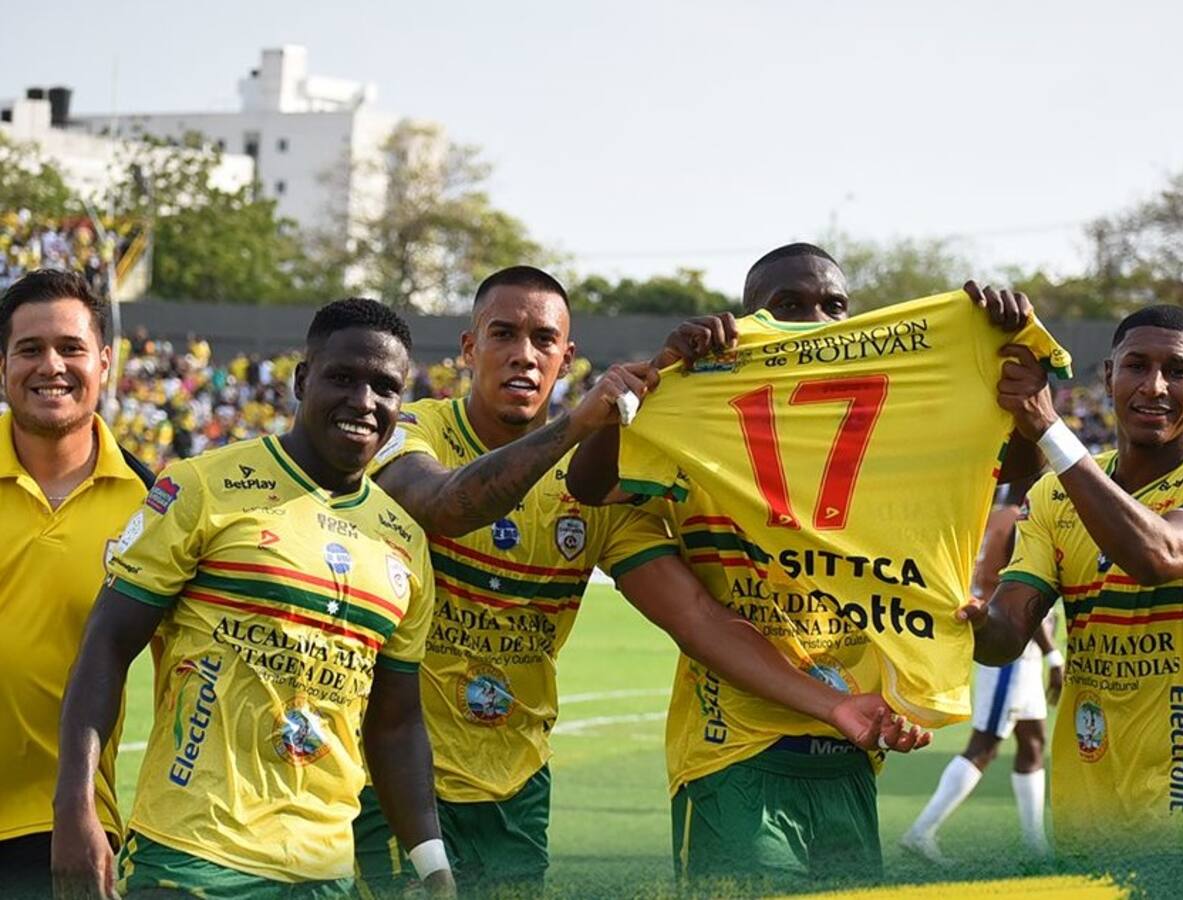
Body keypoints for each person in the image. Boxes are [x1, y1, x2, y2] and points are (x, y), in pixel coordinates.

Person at [357, 265, 926, 895]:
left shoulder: (596, 492)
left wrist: (835, 704)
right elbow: (445, 505)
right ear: (469, 347)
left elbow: (696, 618)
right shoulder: (412, 431)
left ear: (566, 358)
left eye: (544, 340)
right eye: (503, 334)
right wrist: (577, 426)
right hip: (396, 773)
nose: (524, 354)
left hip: (514, 784)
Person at [567, 243, 1042, 889]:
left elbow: (1012, 465)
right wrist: (659, 373)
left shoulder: (888, 437)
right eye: (787, 305)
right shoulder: (702, 424)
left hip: (850, 748)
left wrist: (1005, 361)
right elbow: (592, 485)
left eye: (833, 307)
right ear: (749, 320)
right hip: (734, 752)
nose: (813, 319)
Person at [52, 298, 453, 899]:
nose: (363, 402)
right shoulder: (202, 487)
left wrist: (432, 864)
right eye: (343, 377)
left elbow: (396, 723)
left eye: (384, 387)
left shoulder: (402, 542)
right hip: (192, 856)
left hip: (323, 872)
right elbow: (107, 645)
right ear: (301, 379)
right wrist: (74, 805)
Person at [961, 304, 1183, 861]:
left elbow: (1160, 554)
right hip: (1088, 806)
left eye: (1179, 370)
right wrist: (969, 612)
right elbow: (1003, 639)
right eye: (1137, 365)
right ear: (1108, 375)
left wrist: (1048, 430)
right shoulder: (1053, 495)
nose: (1155, 386)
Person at [0, 270, 153, 899]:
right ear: (2, 363)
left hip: (61, 829)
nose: (51, 366)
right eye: (30, 349)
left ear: (106, 362)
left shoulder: (155, 509)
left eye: (70, 348)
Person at [901, 480, 1064, 864]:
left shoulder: (994, 518)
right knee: (986, 743)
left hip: (1004, 642)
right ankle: (921, 832)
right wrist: (1053, 655)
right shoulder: (1024, 520)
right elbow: (1023, 597)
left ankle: (1033, 843)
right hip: (1012, 650)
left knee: (1033, 740)